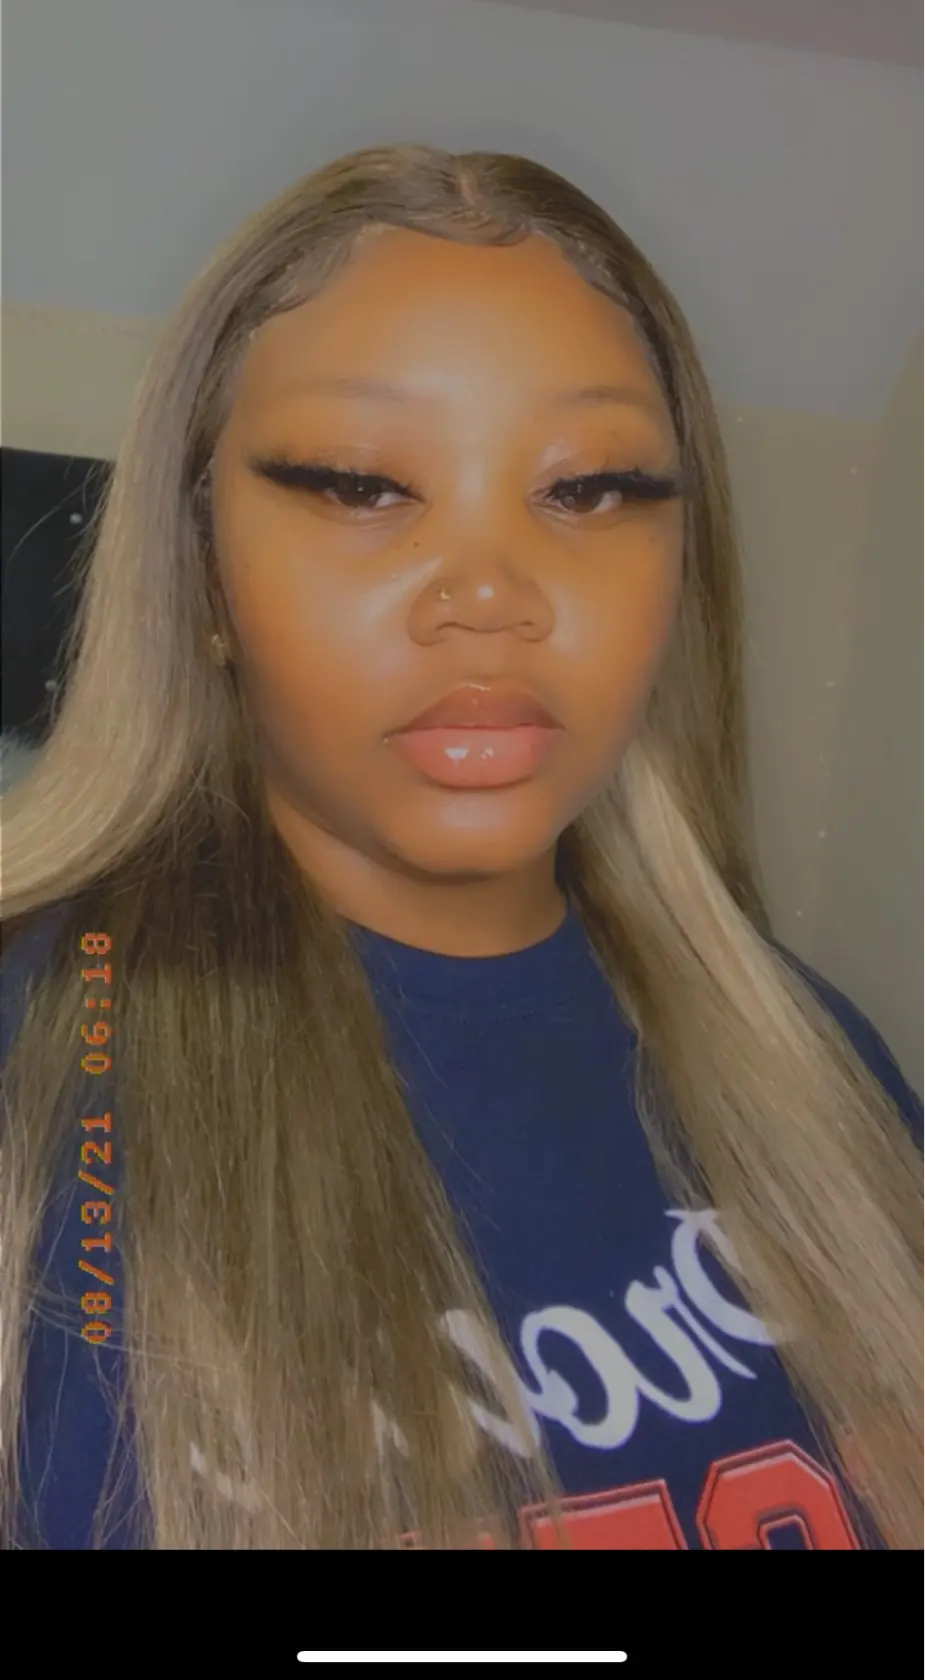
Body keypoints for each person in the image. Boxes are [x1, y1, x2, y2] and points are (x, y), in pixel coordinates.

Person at [0, 144, 921, 1554]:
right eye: (362, 484)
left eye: (590, 488)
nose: (489, 596)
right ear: (201, 566)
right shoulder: (37, 1051)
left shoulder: (818, 1057)